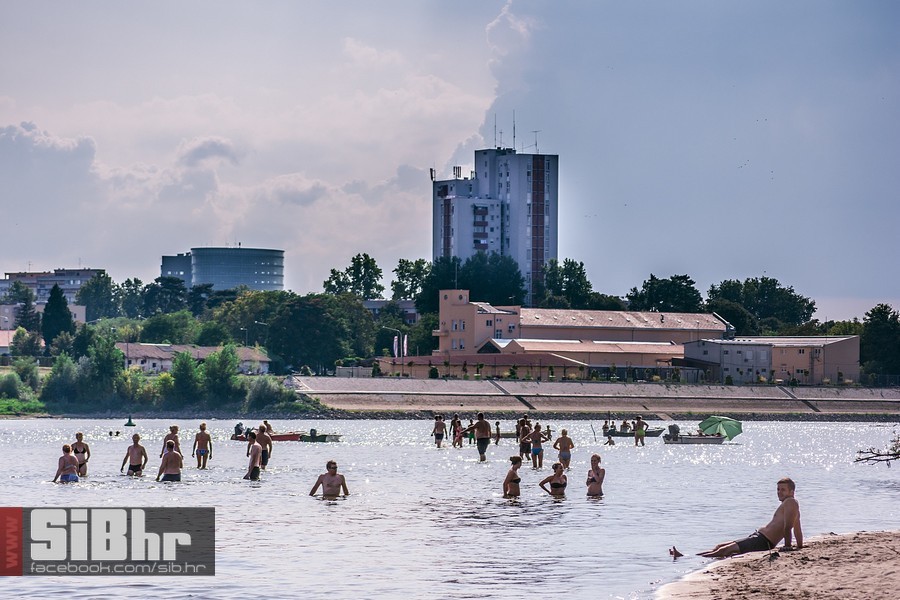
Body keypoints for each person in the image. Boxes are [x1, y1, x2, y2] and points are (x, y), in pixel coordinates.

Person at [694, 478, 803, 558]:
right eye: (778, 489)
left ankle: (692, 558)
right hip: (759, 538)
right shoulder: (793, 506)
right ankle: (689, 556)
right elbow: (797, 528)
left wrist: (787, 546)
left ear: (792, 492)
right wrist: (799, 545)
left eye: (783, 490)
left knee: (724, 550)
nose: (779, 492)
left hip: (762, 541)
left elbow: (788, 527)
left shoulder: (790, 502)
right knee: (720, 547)